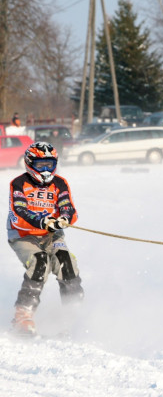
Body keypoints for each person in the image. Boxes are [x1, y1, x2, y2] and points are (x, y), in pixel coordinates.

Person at [7, 142, 82, 336]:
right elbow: (20, 212)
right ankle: (23, 314)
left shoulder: (60, 183)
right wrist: (42, 221)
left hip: (52, 234)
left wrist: (64, 218)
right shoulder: (19, 183)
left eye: (50, 164)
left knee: (66, 262)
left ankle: (73, 315)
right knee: (40, 263)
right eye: (41, 165)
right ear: (30, 164)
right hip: (23, 235)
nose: (46, 170)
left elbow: (67, 206)